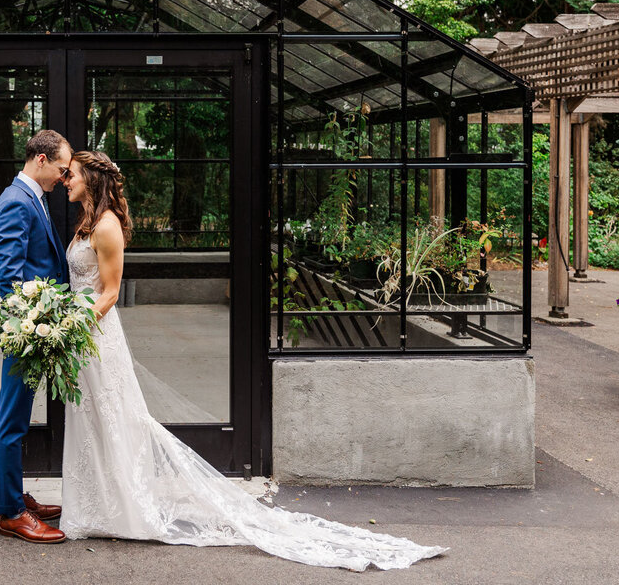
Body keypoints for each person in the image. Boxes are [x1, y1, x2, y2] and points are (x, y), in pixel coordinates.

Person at [59, 150, 447, 571]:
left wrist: (71, 328)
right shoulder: (85, 223)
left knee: (114, 417)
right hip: (83, 336)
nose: (66, 180)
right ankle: (96, 505)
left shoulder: (108, 226)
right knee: (91, 417)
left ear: (92, 181)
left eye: (72, 175)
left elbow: (111, 293)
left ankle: (123, 508)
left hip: (95, 335)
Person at [0, 129, 71, 544]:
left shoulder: (33, 198)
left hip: (33, 328)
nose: (63, 175)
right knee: (12, 422)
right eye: (60, 168)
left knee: (16, 418)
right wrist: (28, 331)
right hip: (23, 332)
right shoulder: (16, 203)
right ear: (41, 160)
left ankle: (15, 495)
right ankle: (9, 512)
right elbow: (9, 280)